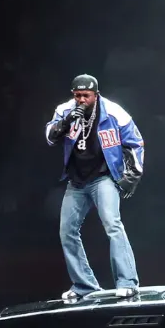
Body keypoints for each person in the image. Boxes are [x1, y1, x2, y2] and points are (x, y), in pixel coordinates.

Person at [45, 74, 144, 300]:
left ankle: (128, 281)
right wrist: (69, 120)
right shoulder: (65, 110)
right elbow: (50, 137)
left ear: (95, 94)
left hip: (103, 178)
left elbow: (136, 143)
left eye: (86, 96)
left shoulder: (114, 112)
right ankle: (84, 285)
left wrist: (132, 176)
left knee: (112, 224)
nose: (81, 100)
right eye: (78, 95)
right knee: (66, 231)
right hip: (76, 181)